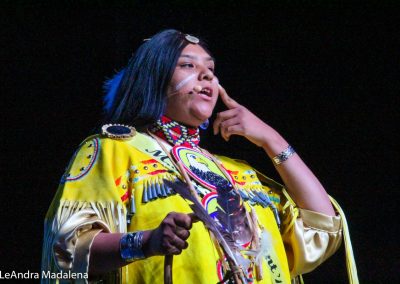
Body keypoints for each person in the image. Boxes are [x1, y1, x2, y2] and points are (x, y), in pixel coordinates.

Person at [41, 29, 357, 283]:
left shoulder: (236, 172)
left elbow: (323, 226)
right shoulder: (113, 150)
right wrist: (145, 242)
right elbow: (67, 250)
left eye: (211, 69)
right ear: (153, 78)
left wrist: (271, 140)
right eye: (188, 65)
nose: (206, 76)